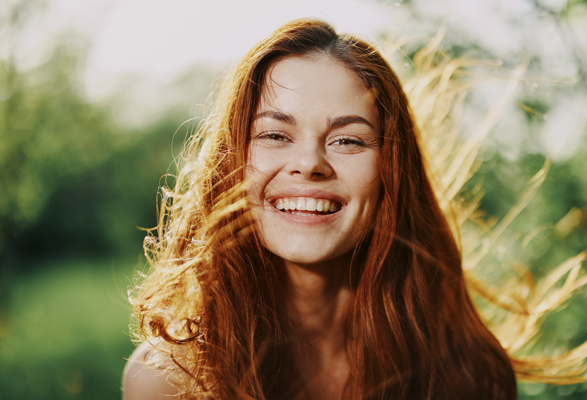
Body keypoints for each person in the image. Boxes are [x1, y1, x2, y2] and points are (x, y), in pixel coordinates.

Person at [122, 19, 518, 400]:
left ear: (392, 172)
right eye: (275, 134)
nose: (310, 163)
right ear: (231, 162)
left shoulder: (468, 374)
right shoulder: (167, 382)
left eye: (348, 140)